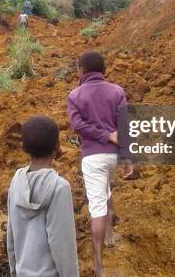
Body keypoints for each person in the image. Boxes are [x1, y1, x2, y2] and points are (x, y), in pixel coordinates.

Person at [66, 51, 132, 277]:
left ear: (81, 70)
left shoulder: (74, 95)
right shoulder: (117, 91)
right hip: (114, 157)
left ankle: (99, 267)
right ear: (102, 70)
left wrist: (103, 136)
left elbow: (77, 126)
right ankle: (111, 235)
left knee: (96, 207)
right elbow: (124, 126)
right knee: (105, 189)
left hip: (93, 158)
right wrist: (126, 157)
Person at [7, 116, 79, 277]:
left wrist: (14, 271)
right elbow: (62, 244)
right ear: (57, 146)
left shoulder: (16, 183)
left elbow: (11, 237)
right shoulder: (59, 188)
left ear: (24, 147)